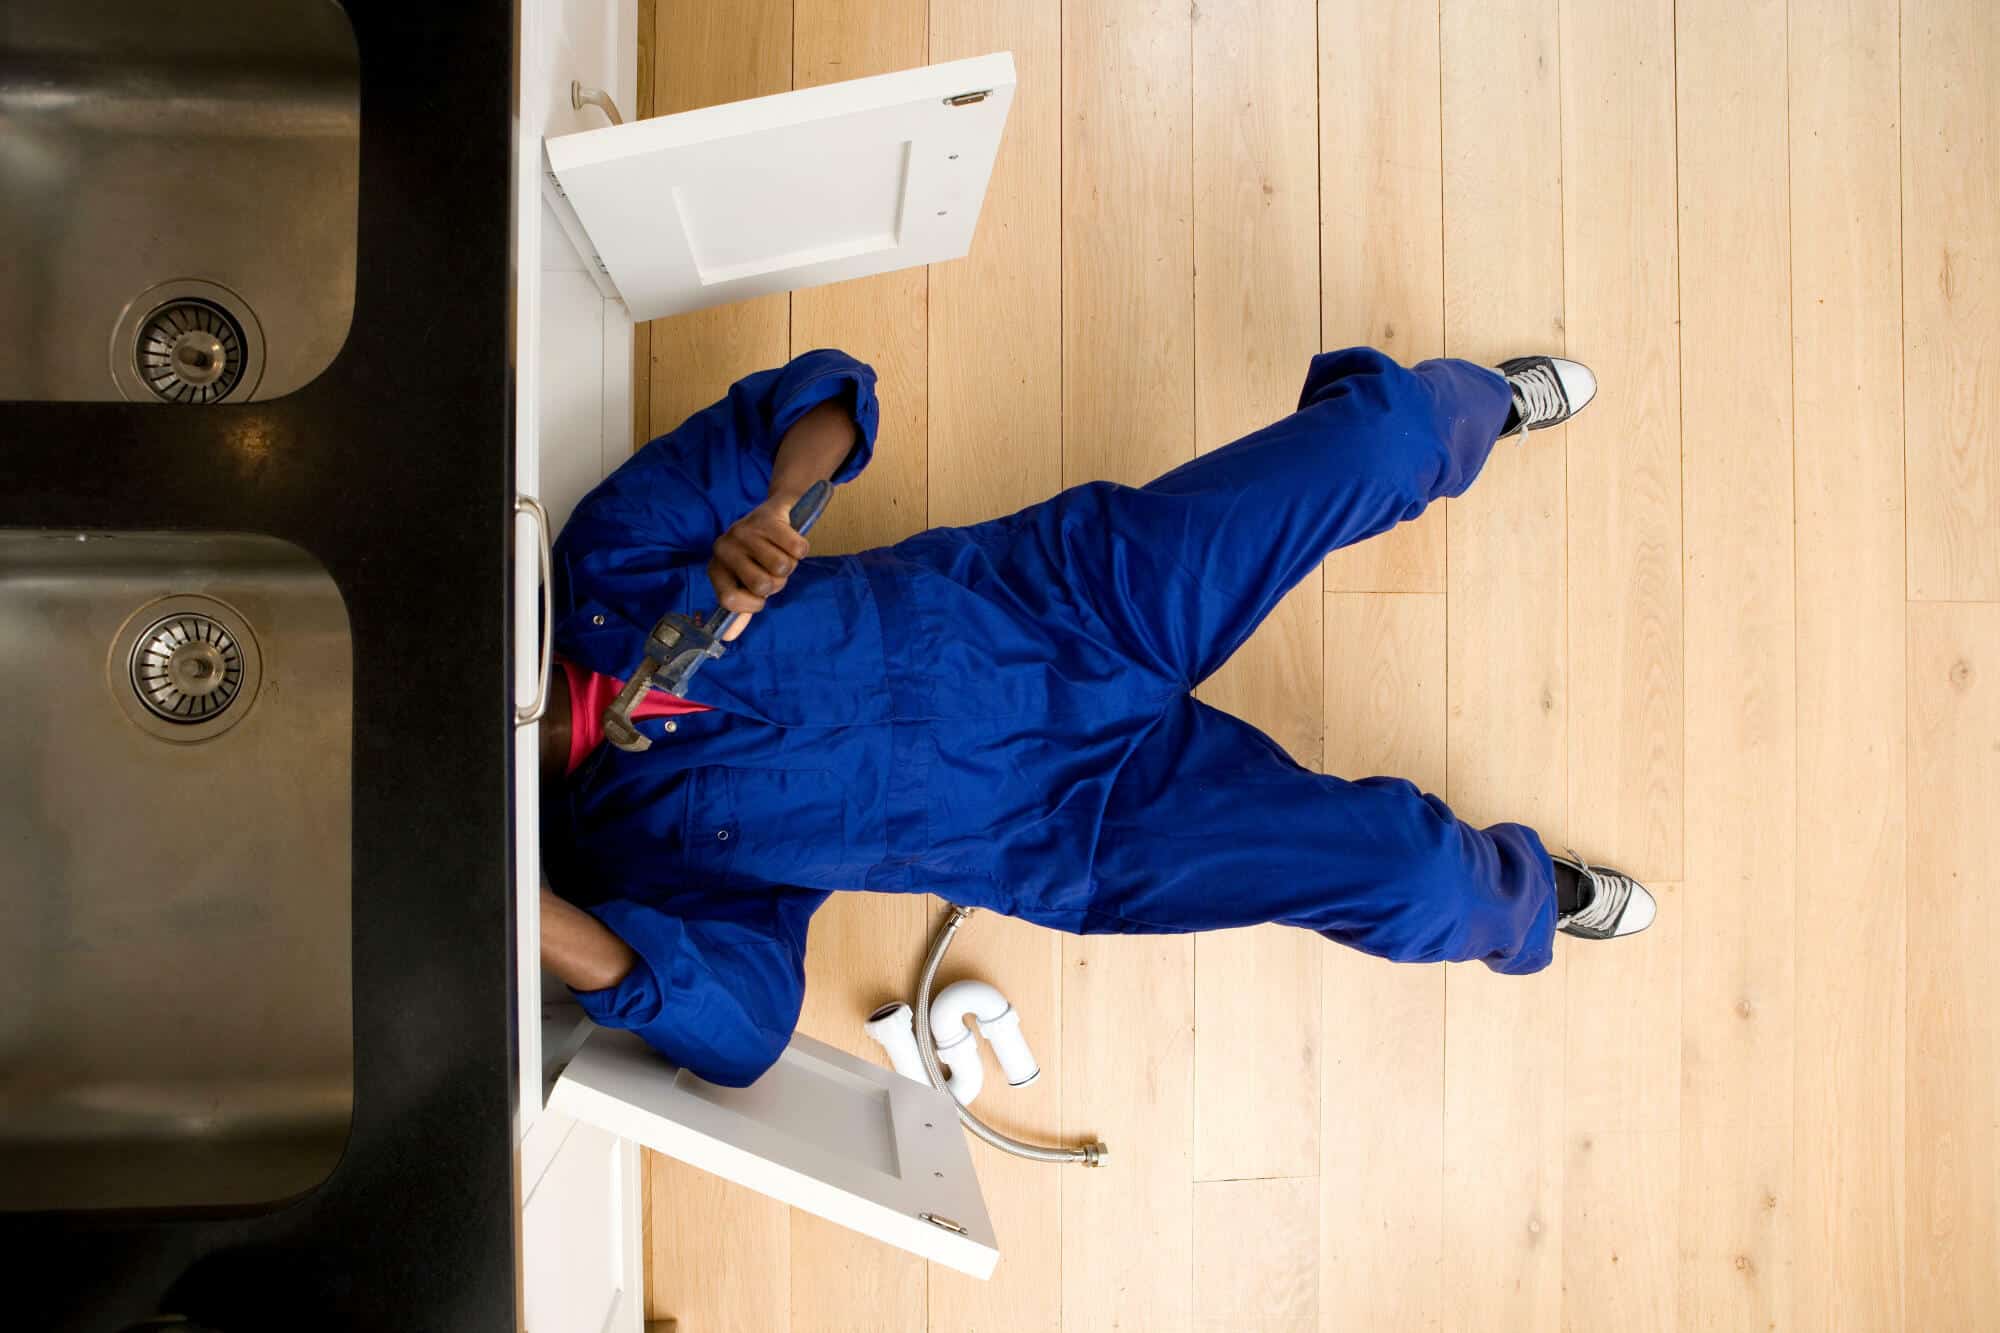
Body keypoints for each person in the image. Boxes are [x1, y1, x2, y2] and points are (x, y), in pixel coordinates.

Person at [537, 346, 1656, 1088]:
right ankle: (1524, 902)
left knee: (1376, 443)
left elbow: (825, 397)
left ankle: (1476, 408)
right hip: (1080, 829)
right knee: (1419, 883)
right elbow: (740, 1030)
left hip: (1065, 602)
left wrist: (780, 504)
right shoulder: (623, 868)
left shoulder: (607, 569)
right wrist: (519, 909)